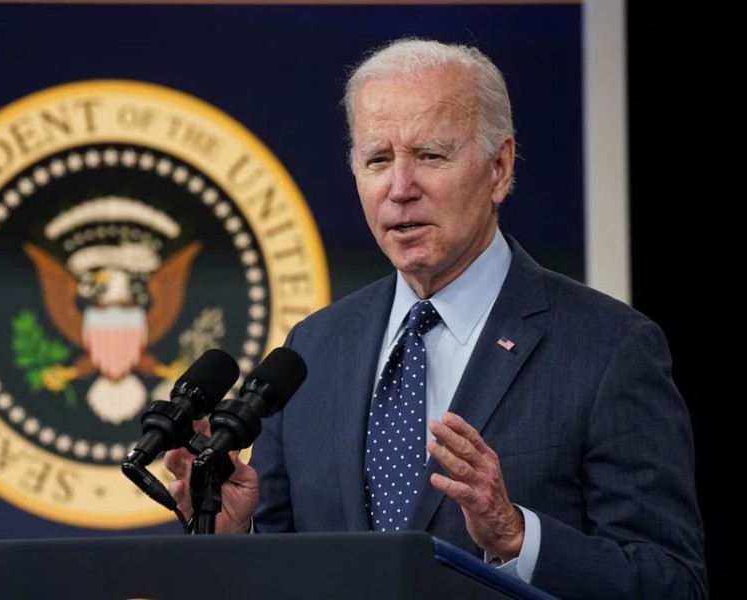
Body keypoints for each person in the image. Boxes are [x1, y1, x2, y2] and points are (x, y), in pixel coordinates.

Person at [164, 37, 707, 599]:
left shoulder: (608, 348)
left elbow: (672, 582)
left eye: (430, 156)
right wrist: (230, 539)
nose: (400, 189)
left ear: (499, 167)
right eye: (377, 160)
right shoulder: (312, 350)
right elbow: (286, 562)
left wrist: (516, 537)